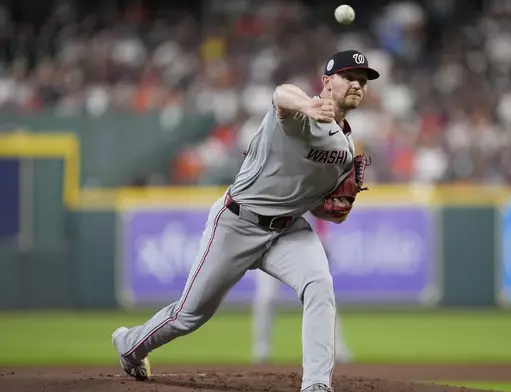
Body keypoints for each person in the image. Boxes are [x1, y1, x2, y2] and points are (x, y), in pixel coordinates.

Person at [111, 49, 379, 392]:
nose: (357, 85)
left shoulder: (346, 146)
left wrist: (337, 208)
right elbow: (281, 94)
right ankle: (130, 347)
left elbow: (324, 210)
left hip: (287, 231)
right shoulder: (301, 113)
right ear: (327, 82)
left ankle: (316, 385)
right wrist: (309, 105)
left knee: (320, 286)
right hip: (237, 222)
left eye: (362, 81)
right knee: (190, 315)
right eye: (349, 77)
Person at [251, 216, 354, 364]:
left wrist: (323, 238)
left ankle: (338, 347)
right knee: (267, 297)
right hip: (269, 243)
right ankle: (261, 349)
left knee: (321, 292)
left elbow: (318, 207)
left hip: (301, 243)